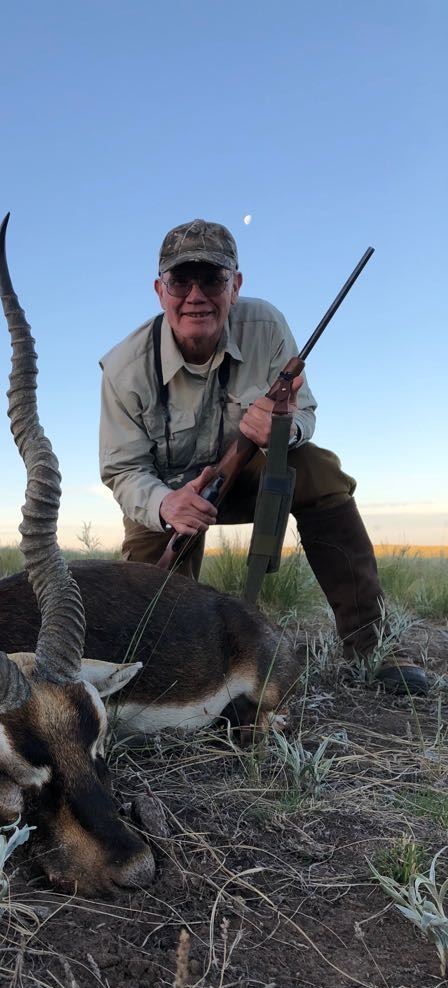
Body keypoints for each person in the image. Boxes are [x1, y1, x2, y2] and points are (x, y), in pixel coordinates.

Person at [99, 219, 428, 695]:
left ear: (235, 285)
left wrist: (284, 427)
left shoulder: (267, 326)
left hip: (254, 477)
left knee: (318, 470)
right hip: (169, 500)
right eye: (181, 280)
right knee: (147, 624)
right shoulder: (124, 368)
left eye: (212, 279)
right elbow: (123, 469)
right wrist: (165, 505)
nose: (196, 296)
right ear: (159, 290)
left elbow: (305, 413)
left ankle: (372, 643)